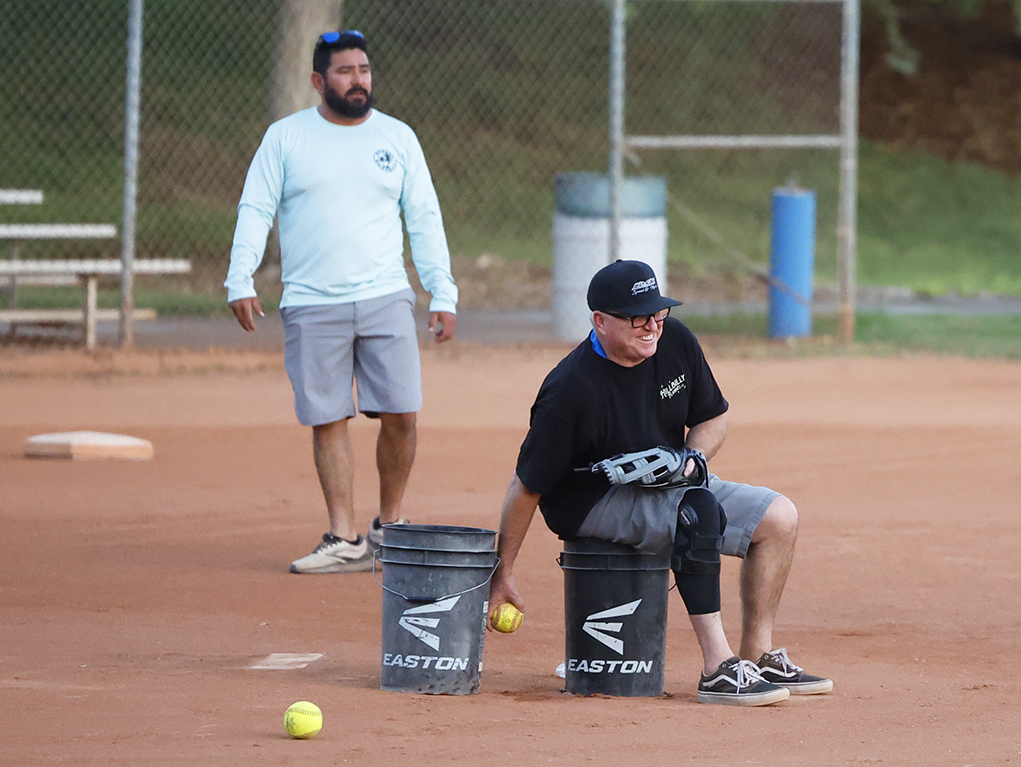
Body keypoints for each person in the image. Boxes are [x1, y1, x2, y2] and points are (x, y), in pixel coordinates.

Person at [488, 259, 832, 706]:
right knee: (697, 511)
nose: (652, 325)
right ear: (601, 321)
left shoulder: (676, 342)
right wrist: (503, 570)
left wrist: (691, 458)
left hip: (670, 482)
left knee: (779, 517)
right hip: (591, 500)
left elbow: (714, 418)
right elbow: (526, 486)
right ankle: (717, 667)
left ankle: (757, 653)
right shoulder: (570, 389)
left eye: (658, 313)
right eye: (638, 317)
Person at [224, 30, 458, 574]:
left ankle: (390, 529)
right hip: (310, 300)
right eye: (346, 71)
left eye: (365, 70)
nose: (359, 81)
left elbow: (424, 217)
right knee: (328, 417)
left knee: (402, 413)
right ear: (317, 81)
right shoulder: (286, 138)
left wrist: (441, 291)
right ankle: (343, 536)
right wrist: (241, 277)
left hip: (385, 298)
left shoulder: (397, 138)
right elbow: (255, 208)